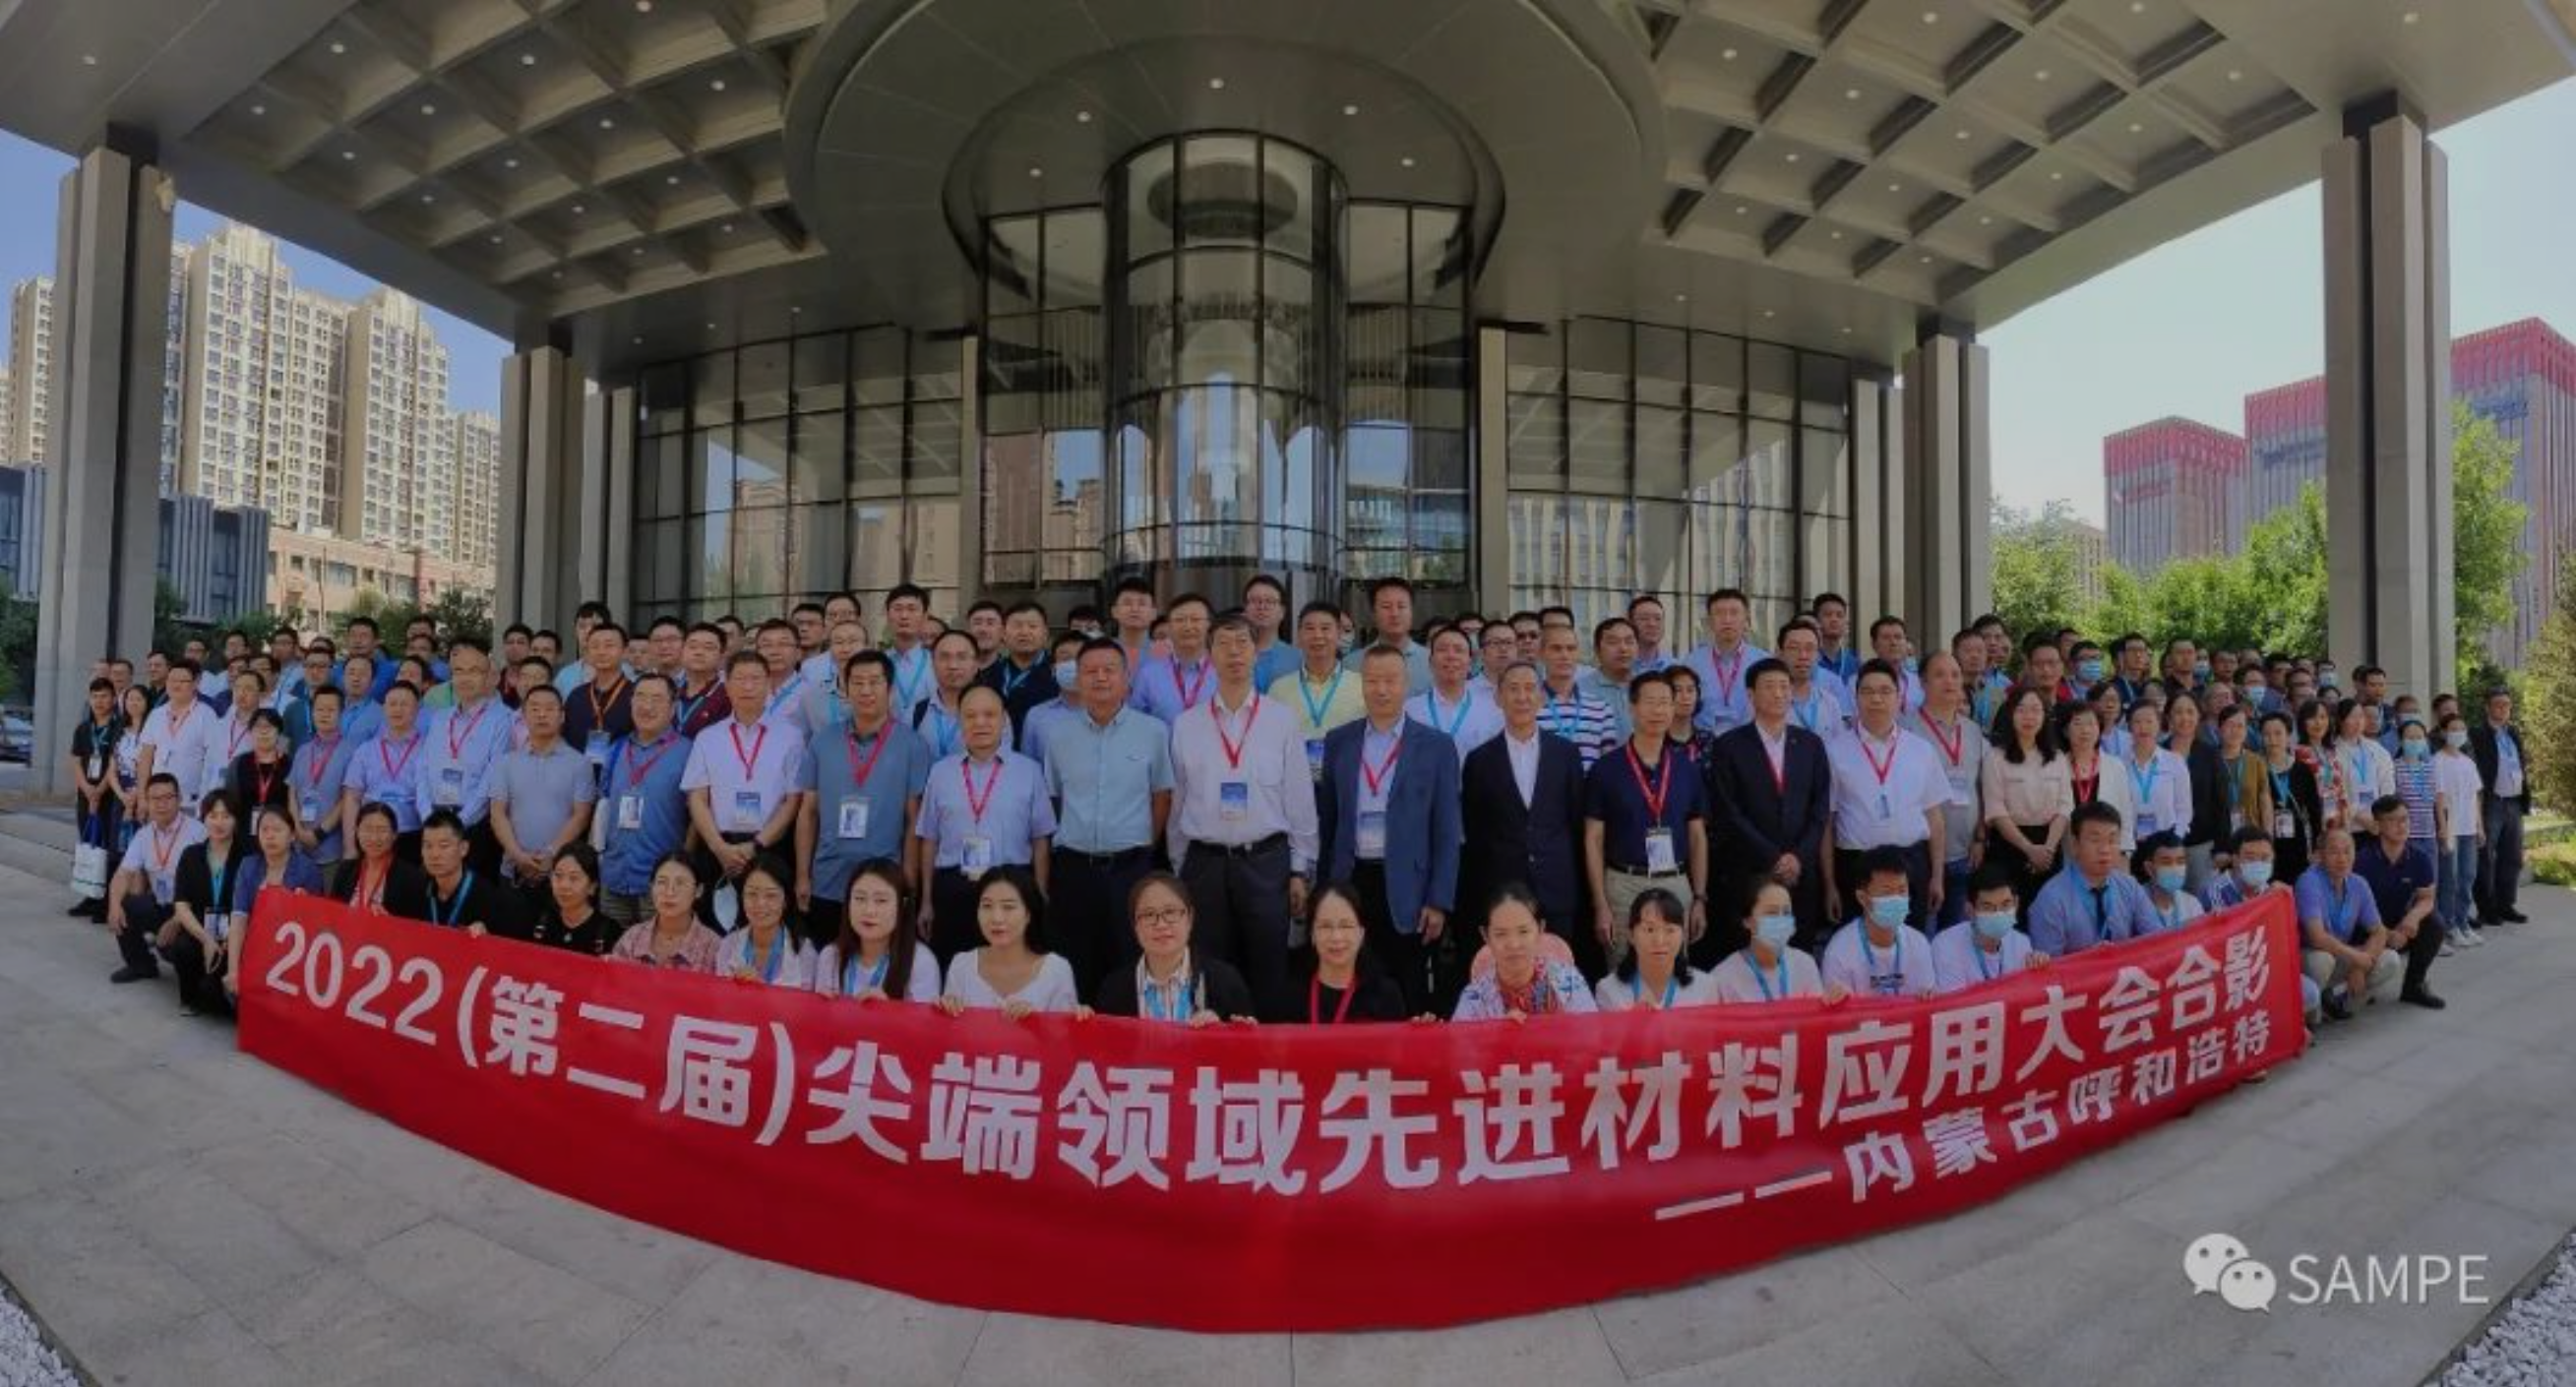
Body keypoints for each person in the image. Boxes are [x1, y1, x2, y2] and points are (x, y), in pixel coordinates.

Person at [1172, 615, 1318, 1021]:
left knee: (1268, 966)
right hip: (1205, 862)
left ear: (1256, 653)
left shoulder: (1282, 719)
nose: (1234, 652)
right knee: (1209, 967)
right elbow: (1180, 802)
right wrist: (1180, 866)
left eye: (1242, 643)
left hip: (1266, 861)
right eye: (1223, 643)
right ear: (1209, 654)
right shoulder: (1186, 724)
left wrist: (1300, 869)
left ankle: (1267, 1052)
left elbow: (1299, 800)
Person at [1318, 643, 1464, 1015]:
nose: (1381, 690)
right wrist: (1325, 887)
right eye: (1372, 681)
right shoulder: (1339, 741)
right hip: (1351, 878)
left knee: (1407, 986)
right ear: (1361, 684)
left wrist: (1439, 900)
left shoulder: (1436, 747)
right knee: (1351, 983)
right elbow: (1328, 820)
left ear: (1406, 684)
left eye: (1390, 680)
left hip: (1409, 886)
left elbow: (1447, 831)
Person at [1038, 638, 1173, 997]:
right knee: (1075, 963)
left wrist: (1145, 845)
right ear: (1078, 679)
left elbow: (1161, 796)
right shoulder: (1058, 735)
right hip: (1074, 868)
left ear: (1126, 678)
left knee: (1130, 962)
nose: (1100, 678)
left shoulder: (1153, 731)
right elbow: (1054, 798)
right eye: (1090, 671)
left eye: (1109, 670)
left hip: (1130, 868)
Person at [794, 650, 934, 952]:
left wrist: (909, 882)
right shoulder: (822, 741)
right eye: (857, 682)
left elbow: (914, 821)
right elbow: (808, 813)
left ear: (890, 689)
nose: (866, 690)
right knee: (827, 966)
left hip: (884, 886)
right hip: (828, 881)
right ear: (845, 690)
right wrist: (803, 875)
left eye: (874, 682)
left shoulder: (913, 745)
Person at [915, 685, 1055, 962]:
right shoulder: (940, 772)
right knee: (953, 970)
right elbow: (929, 839)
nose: (980, 722)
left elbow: (1041, 839)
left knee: (1010, 971)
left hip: (1011, 888)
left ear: (1004, 720)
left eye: (990, 715)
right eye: (970, 715)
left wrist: (1039, 893)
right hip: (953, 889)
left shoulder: (1029, 771)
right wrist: (927, 900)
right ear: (959, 721)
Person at [1459, 661, 1589, 951]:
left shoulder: (1566, 754)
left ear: (1542, 697)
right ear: (1498, 698)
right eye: (1513, 689)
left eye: (1530, 689)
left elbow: (1575, 822)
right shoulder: (1479, 760)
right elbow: (1475, 831)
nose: (1522, 697)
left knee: (1559, 967)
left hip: (1557, 886)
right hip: (1502, 889)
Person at [1582, 671, 1708, 969]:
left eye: (1665, 702)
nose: (1658, 710)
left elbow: (1697, 837)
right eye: (1650, 702)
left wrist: (1699, 898)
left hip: (1676, 882)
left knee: (1674, 972)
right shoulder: (1605, 769)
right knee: (1623, 973)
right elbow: (1593, 839)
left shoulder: (1687, 769)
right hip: (1624, 884)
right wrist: (1600, 903)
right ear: (1632, 707)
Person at [1710, 658, 1833, 951]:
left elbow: (1820, 808)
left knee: (1799, 952)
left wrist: (1798, 857)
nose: (1778, 693)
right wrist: (1772, 857)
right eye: (1769, 686)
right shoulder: (1729, 746)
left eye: (1784, 686)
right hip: (1750, 868)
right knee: (1750, 951)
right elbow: (1728, 810)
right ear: (1751, 695)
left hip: (1800, 871)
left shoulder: (1811, 744)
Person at [683, 651, 807, 932]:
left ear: (769, 684)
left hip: (770, 847)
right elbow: (697, 799)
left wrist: (757, 845)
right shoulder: (708, 737)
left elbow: (793, 801)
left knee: (768, 926)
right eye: (739, 679)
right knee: (715, 928)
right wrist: (718, 847)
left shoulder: (791, 736)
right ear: (727, 686)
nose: (748, 686)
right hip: (718, 848)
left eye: (755, 679)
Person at [1822, 661, 1948, 931]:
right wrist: (1829, 884)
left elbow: (1935, 818)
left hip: (1911, 863)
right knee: (1858, 943)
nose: (1876, 699)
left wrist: (1937, 876)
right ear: (1856, 698)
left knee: (1910, 941)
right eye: (1867, 692)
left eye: (1885, 691)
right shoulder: (1834, 751)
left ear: (1899, 697)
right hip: (1856, 865)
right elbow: (1827, 823)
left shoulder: (1921, 750)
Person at [488, 685, 599, 916]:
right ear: (523, 716)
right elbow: (497, 814)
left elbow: (581, 816)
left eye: (549, 709)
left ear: (562, 716)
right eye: (535, 708)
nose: (541, 714)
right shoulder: (506, 762)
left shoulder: (580, 764)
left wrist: (550, 854)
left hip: (560, 878)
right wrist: (518, 855)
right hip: (513, 871)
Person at [1090, 873, 1257, 1023]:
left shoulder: (1226, 981)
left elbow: (1246, 1043)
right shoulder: (1113, 990)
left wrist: (1223, 1031)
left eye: (1170, 912)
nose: (1161, 924)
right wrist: (1085, 1022)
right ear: (1135, 926)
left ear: (1190, 919)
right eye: (1148, 914)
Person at [418, 639, 515, 874]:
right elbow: (422, 769)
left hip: (474, 825)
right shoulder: (440, 718)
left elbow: (492, 777)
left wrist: (460, 822)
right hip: (434, 819)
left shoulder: (503, 719)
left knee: (470, 891)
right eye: (458, 671)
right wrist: (427, 815)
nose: (465, 678)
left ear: (488, 677)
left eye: (474, 671)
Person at [1906, 650, 1986, 928]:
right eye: (1939, 675)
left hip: (1966, 854)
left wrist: (1980, 837)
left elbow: (1980, 786)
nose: (1949, 681)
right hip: (1922, 857)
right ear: (1922, 682)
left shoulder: (1973, 730)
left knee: (1955, 938)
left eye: (1955, 674)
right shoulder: (1906, 729)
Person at [104, 774, 209, 985]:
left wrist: (177, 920)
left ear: (179, 799)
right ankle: (141, 965)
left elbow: (205, 889)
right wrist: (114, 905)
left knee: (174, 950)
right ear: (147, 802)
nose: (162, 804)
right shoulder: (143, 835)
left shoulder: (198, 833)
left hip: (191, 910)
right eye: (155, 799)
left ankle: (197, 973)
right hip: (160, 903)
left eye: (168, 797)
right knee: (126, 906)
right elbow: (123, 874)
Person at [936, 867, 1077, 1017]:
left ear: (1028, 914)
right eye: (987, 906)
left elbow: (1064, 1030)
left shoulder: (1057, 970)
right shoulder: (961, 965)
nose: (996, 918)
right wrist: (944, 1010)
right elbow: (950, 1030)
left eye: (1008, 907)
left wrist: (1035, 1022)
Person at [2026, 802, 2160, 958]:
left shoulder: (2130, 886)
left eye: (2112, 841)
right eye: (2095, 840)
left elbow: (2156, 939)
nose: (2105, 850)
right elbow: (2048, 966)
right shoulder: (2051, 899)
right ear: (2075, 844)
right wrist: (2090, 960)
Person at [2352, 795, 2446, 1009]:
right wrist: (2384, 933)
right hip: (2365, 929)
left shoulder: (2419, 858)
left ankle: (2413, 987)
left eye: (2405, 819)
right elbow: (2355, 910)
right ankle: (2356, 981)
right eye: (2393, 820)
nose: (2401, 825)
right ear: (2377, 826)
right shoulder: (2362, 861)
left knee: (2434, 924)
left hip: (2398, 926)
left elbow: (2427, 898)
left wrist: (2412, 918)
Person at [2298, 826, 2402, 1019]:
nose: (2342, 859)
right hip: (2309, 955)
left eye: (2347, 851)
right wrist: (2356, 957)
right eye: (2334, 852)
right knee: (2322, 961)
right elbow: (2317, 937)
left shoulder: (2358, 883)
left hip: (2340, 954)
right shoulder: (2308, 881)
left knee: (2390, 959)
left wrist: (2359, 967)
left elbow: (2379, 931)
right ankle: (2306, 1015)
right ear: (2320, 855)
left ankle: (2337, 1001)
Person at [1450, 884, 1597, 1021]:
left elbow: (1591, 1032)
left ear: (1540, 929)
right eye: (1501, 934)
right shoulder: (1474, 997)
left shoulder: (1569, 981)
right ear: (1485, 936)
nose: (1514, 944)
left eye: (1523, 931)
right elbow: (1460, 1039)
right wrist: (1497, 1031)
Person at [1820, 846, 1938, 998]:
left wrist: (1928, 996)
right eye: (1886, 892)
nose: (1896, 899)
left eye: (1902, 890)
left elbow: (1928, 1002)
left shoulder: (1919, 943)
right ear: (1862, 898)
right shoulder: (1839, 952)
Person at [814, 859, 939, 1003]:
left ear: (902, 906)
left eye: (881, 901)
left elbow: (922, 1018)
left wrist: (887, 1011)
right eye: (860, 898)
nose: (869, 910)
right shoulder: (831, 956)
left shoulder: (920, 961)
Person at [1272, 599, 1367, 778]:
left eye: (1325, 628)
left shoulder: (1361, 685)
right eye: (1309, 628)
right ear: (1299, 635)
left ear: (1339, 634)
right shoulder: (1279, 689)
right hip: (1293, 780)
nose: (1317, 635)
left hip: (1346, 780)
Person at [1297, 882, 1410, 1022]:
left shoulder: (1386, 995)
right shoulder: (1291, 995)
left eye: (1346, 926)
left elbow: (1399, 1036)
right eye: (1325, 926)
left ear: (1361, 934)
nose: (1336, 937)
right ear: (1312, 935)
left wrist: (1422, 1029)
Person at [1705, 880, 1833, 1003]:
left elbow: (1818, 1016)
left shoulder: (1805, 965)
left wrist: (1833, 1001)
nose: (1781, 920)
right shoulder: (1722, 978)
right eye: (1771, 913)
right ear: (1748, 921)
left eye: (1786, 912)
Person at [1932, 866, 2046, 993]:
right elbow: (1956, 1001)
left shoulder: (2022, 943)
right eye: (1988, 907)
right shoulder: (1946, 945)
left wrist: (2039, 966)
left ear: (2016, 903)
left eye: (2005, 904)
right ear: (1970, 910)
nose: (1998, 914)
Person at [1595, 889, 1714, 1010]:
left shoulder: (1705, 987)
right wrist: (1632, 1018)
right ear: (1630, 935)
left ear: (1683, 935)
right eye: (1649, 930)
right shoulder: (1608, 990)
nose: (1659, 941)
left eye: (1670, 930)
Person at [2470, 689, 2528, 927]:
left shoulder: (2512, 732)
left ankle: (2506, 905)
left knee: (2512, 857)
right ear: (2488, 707)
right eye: (2498, 704)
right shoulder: (2478, 733)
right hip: (2492, 801)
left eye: (2507, 705)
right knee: (2486, 857)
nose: (2503, 709)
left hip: (2513, 802)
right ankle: (2487, 908)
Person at [714, 854, 817, 989]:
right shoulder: (728, 945)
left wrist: (761, 989)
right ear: (742, 897)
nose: (760, 903)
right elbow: (721, 995)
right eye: (752, 894)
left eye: (771, 895)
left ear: (785, 901)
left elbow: (805, 1001)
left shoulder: (804, 951)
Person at [417, 810, 524, 936]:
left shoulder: (487, 898)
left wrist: (488, 936)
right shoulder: (416, 887)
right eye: (428, 846)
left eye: (444, 846)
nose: (435, 854)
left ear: (463, 849)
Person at [137, 660, 227, 809]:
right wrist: (142, 797)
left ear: (195, 683)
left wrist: (205, 798)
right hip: (157, 798)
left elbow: (213, 761)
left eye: (182, 681)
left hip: (191, 800)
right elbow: (145, 757)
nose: (176, 685)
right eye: (172, 680)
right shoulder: (156, 714)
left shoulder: (207, 715)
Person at [611, 854, 724, 972]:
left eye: (680, 883)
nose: (669, 892)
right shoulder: (632, 938)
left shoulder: (714, 947)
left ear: (698, 890)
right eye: (662, 882)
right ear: (651, 887)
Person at [2432, 712, 2486, 948]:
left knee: (2467, 877)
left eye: (2461, 729)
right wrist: (2443, 829)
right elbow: (2439, 798)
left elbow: (2475, 797)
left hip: (2468, 828)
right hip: (2451, 828)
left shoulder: (2468, 762)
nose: (2458, 733)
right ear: (2443, 732)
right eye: (2453, 729)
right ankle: (2448, 927)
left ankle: (2463, 923)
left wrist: (2479, 826)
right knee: (2450, 880)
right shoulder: (2437, 761)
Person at [1682, 588, 1768, 735]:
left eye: (1734, 613)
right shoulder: (1691, 662)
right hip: (1702, 740)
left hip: (1751, 739)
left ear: (1746, 620)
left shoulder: (1763, 661)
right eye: (1719, 613)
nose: (1727, 620)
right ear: (1710, 622)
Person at [1411, 626, 1504, 758]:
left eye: (1458, 650)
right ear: (1430, 662)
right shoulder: (1410, 710)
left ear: (1470, 663)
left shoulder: (1492, 710)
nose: (1451, 656)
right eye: (1442, 649)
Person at [1535, 622, 1618, 771]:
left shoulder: (1601, 708)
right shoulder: (1527, 707)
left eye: (1571, 648)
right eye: (1556, 648)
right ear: (1541, 654)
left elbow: (1609, 766)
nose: (1564, 655)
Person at [974, 600, 1059, 741]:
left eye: (1032, 626)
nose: (1024, 632)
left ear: (1045, 634)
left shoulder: (1059, 674)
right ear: (1003, 634)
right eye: (1017, 626)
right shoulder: (986, 677)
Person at [2258, 710, 2324, 885]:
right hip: (2267, 844)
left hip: (2298, 843)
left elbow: (2315, 811)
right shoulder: (2257, 768)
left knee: (2299, 888)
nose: (2272, 739)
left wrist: (2317, 846)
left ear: (2288, 736)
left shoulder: (2302, 769)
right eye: (2266, 734)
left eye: (2278, 733)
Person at [1133, 592, 1219, 725]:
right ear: (1169, 627)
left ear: (1210, 626)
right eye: (1180, 620)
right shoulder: (1148, 674)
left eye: (1195, 619)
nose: (1188, 627)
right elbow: (1136, 721)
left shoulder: (1225, 672)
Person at [1344, 576, 1433, 694]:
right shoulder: (1351, 664)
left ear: (1411, 611)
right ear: (1373, 613)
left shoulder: (1433, 662)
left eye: (1401, 606)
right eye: (1386, 606)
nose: (1394, 613)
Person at [908, 630, 985, 758]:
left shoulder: (994, 715)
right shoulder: (914, 713)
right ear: (932, 664)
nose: (953, 666)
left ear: (976, 665)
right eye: (944, 657)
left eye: (962, 657)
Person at [225, 708, 296, 832]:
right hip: (244, 835)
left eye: (269, 726)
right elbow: (231, 804)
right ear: (250, 732)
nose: (264, 731)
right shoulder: (238, 763)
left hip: (280, 834)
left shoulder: (290, 765)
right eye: (258, 726)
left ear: (279, 733)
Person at [1582, 617, 1641, 739]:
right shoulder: (1580, 690)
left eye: (1629, 641)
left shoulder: (1649, 686)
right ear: (1597, 650)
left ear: (1638, 648)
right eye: (1613, 642)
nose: (1623, 648)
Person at [2135, 831, 2204, 934]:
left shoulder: (2192, 905)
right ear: (2149, 868)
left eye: (2180, 862)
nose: (2175, 869)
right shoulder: (2133, 904)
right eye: (2166, 863)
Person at [672, 623, 733, 737]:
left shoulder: (729, 696)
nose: (699, 652)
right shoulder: (669, 690)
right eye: (692, 646)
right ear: (682, 651)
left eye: (708, 648)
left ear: (722, 656)